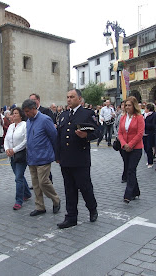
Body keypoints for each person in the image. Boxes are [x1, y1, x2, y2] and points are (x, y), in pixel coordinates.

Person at [55, 89, 99, 229]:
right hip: (66, 160)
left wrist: (86, 136)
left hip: (80, 159)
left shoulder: (87, 113)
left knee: (85, 187)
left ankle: (92, 209)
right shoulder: (63, 115)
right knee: (69, 189)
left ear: (79, 99)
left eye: (72, 97)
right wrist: (57, 155)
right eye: (67, 97)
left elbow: (98, 132)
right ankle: (71, 216)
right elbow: (59, 136)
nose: (69, 99)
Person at [22, 99, 60, 217]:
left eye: (28, 111)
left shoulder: (45, 120)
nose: (26, 114)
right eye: (25, 112)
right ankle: (40, 206)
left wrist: (57, 154)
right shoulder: (28, 121)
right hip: (32, 157)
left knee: (43, 182)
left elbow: (54, 137)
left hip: (44, 157)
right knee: (36, 184)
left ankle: (56, 200)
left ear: (34, 108)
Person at [4, 107, 32, 210]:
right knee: (18, 175)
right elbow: (6, 139)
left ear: (21, 115)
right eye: (13, 113)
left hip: (21, 155)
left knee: (18, 178)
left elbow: (25, 141)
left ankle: (18, 200)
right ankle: (27, 193)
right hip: (12, 155)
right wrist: (7, 149)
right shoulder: (11, 126)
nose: (14, 115)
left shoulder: (24, 125)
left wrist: (14, 150)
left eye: (16, 113)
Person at [118, 96, 144, 203]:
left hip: (136, 148)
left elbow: (140, 133)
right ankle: (136, 191)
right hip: (124, 148)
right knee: (129, 169)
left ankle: (128, 194)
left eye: (129, 105)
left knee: (131, 170)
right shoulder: (123, 117)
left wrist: (131, 144)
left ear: (134, 106)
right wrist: (124, 144)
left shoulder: (139, 117)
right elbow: (120, 133)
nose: (127, 107)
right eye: (126, 105)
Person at [143, 103, 156, 168]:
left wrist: (144, 123)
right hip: (144, 133)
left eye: (145, 108)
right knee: (145, 147)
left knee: (149, 148)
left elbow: (153, 125)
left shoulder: (153, 115)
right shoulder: (143, 115)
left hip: (150, 133)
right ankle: (149, 158)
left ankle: (150, 161)